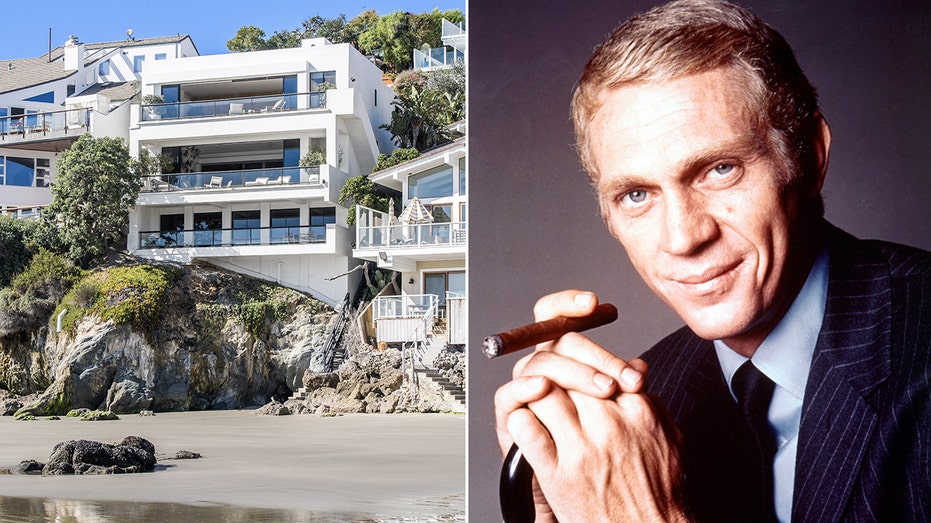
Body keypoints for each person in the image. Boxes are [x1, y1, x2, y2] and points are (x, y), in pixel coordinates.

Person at [493, 1, 931, 521]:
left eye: (720, 169)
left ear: (810, 156)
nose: (683, 238)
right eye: (636, 195)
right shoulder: (648, 396)